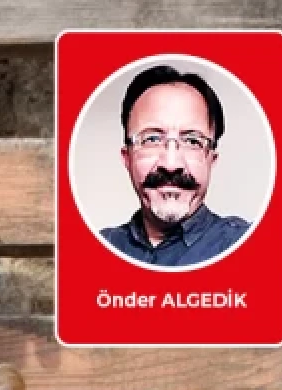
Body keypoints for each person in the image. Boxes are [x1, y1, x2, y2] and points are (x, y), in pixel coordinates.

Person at [98, 64, 250, 267]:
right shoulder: (98, 246)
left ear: (210, 161)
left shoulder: (245, 244)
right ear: (128, 158)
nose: (171, 165)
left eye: (192, 141)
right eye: (151, 139)